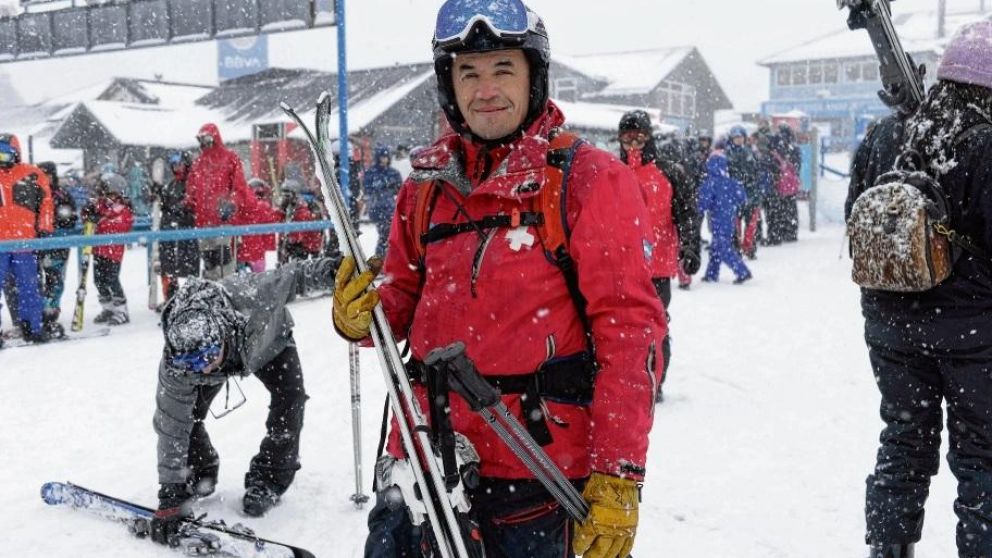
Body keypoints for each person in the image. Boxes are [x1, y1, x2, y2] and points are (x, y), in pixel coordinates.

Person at [332, 2, 665, 556]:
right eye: (468, 73)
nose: (485, 89)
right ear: (449, 85)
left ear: (534, 76)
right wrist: (360, 315)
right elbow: (398, 302)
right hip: (421, 461)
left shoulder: (586, 179)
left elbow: (629, 333)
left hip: (535, 475)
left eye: (502, 70)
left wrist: (619, 474)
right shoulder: (424, 188)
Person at [846, 21, 992, 558]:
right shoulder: (986, 145)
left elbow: (856, 222)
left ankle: (888, 549)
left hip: (891, 329)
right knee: (982, 455)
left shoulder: (887, 135)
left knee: (904, 442)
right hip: (976, 335)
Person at [149, 257, 340, 545]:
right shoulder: (180, 367)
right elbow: (171, 425)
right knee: (188, 417)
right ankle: (199, 471)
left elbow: (294, 275)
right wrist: (170, 491)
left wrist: (332, 271)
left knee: (291, 399)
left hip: (268, 343)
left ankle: (269, 478)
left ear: (221, 335)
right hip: (225, 355)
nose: (201, 367)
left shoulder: (248, 294)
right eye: (192, 362)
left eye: (206, 356)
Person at [618, 111, 688, 404]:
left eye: (640, 137)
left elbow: (686, 213)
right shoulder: (609, 170)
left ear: (649, 137)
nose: (633, 143)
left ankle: (654, 382)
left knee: (655, 328)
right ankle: (624, 381)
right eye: (627, 137)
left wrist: (690, 246)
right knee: (619, 329)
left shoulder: (669, 171)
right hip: (618, 267)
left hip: (657, 266)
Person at [186, 123, 259, 280]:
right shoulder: (198, 164)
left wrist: (231, 204)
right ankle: (212, 293)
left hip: (224, 219)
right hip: (203, 221)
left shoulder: (230, 158)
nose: (204, 143)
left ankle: (227, 291)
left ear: (215, 137)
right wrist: (184, 205)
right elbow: (191, 191)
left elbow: (239, 187)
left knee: (224, 257)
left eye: (207, 138)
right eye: (201, 139)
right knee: (208, 260)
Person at [0, 133, 53, 345]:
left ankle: (33, 327)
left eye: (6, 154)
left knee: (29, 286)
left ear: (16, 153)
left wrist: (45, 227)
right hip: (1, 243)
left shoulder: (32, 174)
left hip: (25, 242)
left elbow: (46, 203)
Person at [82, 173, 134, 326]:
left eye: (110, 193)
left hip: (113, 251)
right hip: (98, 250)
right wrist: (88, 214)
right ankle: (108, 308)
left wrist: (99, 222)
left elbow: (118, 225)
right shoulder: (101, 205)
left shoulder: (122, 208)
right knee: (99, 281)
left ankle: (122, 311)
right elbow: (88, 216)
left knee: (112, 279)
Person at [698, 139, 751, 284]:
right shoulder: (731, 181)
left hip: (717, 219)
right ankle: (711, 273)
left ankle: (742, 271)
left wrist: (698, 208)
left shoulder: (710, 182)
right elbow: (743, 198)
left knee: (722, 248)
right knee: (716, 247)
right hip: (729, 218)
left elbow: (703, 202)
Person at [152, 151, 201, 303]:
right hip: (170, 233)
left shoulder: (193, 183)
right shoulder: (171, 186)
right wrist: (158, 194)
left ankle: (190, 300)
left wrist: (182, 210)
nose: (176, 168)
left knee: (188, 269)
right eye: (173, 165)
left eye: (179, 164)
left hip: (187, 233)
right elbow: (165, 207)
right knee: (168, 266)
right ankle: (171, 299)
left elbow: (195, 205)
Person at [37, 161, 77, 338]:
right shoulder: (34, 193)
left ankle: (51, 313)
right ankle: (37, 313)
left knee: (55, 278)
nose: (44, 178)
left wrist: (59, 222)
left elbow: (70, 218)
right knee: (36, 280)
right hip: (37, 242)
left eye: (47, 175)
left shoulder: (61, 195)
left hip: (58, 242)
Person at [362, 143, 403, 258]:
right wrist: (380, 186)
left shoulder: (394, 173)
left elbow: (400, 189)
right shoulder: (371, 172)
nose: (384, 160)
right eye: (382, 157)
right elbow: (367, 189)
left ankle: (385, 259)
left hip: (390, 208)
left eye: (386, 157)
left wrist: (392, 187)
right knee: (385, 234)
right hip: (377, 208)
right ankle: (381, 259)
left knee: (391, 235)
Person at [725, 125, 760, 259]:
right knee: (736, 224)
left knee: (751, 224)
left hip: (750, 193)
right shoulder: (727, 154)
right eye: (736, 138)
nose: (738, 140)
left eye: (740, 137)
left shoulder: (750, 152)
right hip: (734, 195)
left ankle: (749, 247)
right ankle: (737, 248)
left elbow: (756, 171)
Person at [235, 177, 278, 274]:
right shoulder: (265, 206)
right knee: (259, 277)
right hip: (258, 251)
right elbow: (269, 230)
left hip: (241, 250)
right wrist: (269, 246)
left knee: (241, 278)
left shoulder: (242, 205)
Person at [277, 179, 323, 265]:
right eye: (283, 195)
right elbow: (277, 221)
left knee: (299, 267)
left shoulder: (302, 206)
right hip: (291, 243)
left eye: (288, 195)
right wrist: (282, 209)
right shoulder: (286, 207)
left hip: (303, 244)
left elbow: (304, 223)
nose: (285, 198)